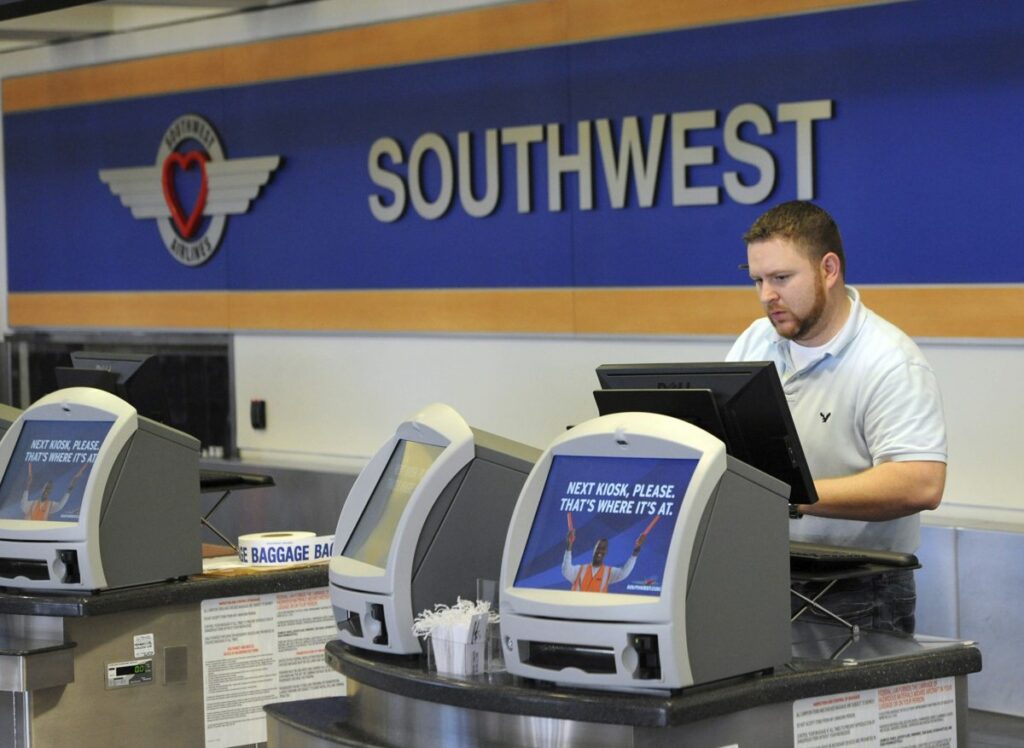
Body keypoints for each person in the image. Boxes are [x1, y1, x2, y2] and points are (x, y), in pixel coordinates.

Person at [726, 200, 946, 634]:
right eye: (757, 280)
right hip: (764, 571)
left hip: (859, 586)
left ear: (828, 269)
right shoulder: (756, 341)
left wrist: (787, 494)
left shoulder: (889, 361)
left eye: (781, 278)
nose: (767, 295)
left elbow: (920, 482)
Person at [562, 530, 646, 593]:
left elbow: (624, 573)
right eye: (598, 548)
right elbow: (566, 571)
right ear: (594, 549)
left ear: (606, 552)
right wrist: (569, 545)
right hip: (576, 609)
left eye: (603, 549)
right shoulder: (580, 570)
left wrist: (636, 550)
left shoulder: (608, 573)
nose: (600, 551)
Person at [21, 463, 88, 521]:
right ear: (42, 489)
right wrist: (27, 485)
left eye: (49, 489)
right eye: (46, 488)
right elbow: (23, 504)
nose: (47, 490)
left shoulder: (50, 506)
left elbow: (60, 505)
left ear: (51, 491)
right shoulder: (32, 504)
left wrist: (71, 486)